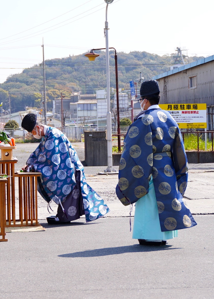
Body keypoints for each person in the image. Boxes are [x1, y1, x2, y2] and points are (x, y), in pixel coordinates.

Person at [113, 81, 196, 247]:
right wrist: (178, 172)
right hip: (168, 168)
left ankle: (149, 236)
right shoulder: (169, 118)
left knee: (149, 204)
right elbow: (179, 149)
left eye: (140, 100)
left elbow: (132, 150)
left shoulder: (144, 120)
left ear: (145, 100)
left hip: (149, 168)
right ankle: (163, 235)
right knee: (165, 201)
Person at [21, 113, 108, 224]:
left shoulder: (53, 135)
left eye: (32, 132)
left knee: (70, 193)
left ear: (38, 128)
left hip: (69, 169)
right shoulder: (47, 135)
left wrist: (33, 166)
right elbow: (38, 153)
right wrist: (29, 164)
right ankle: (64, 215)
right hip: (67, 168)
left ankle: (65, 216)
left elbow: (51, 159)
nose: (33, 135)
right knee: (74, 195)